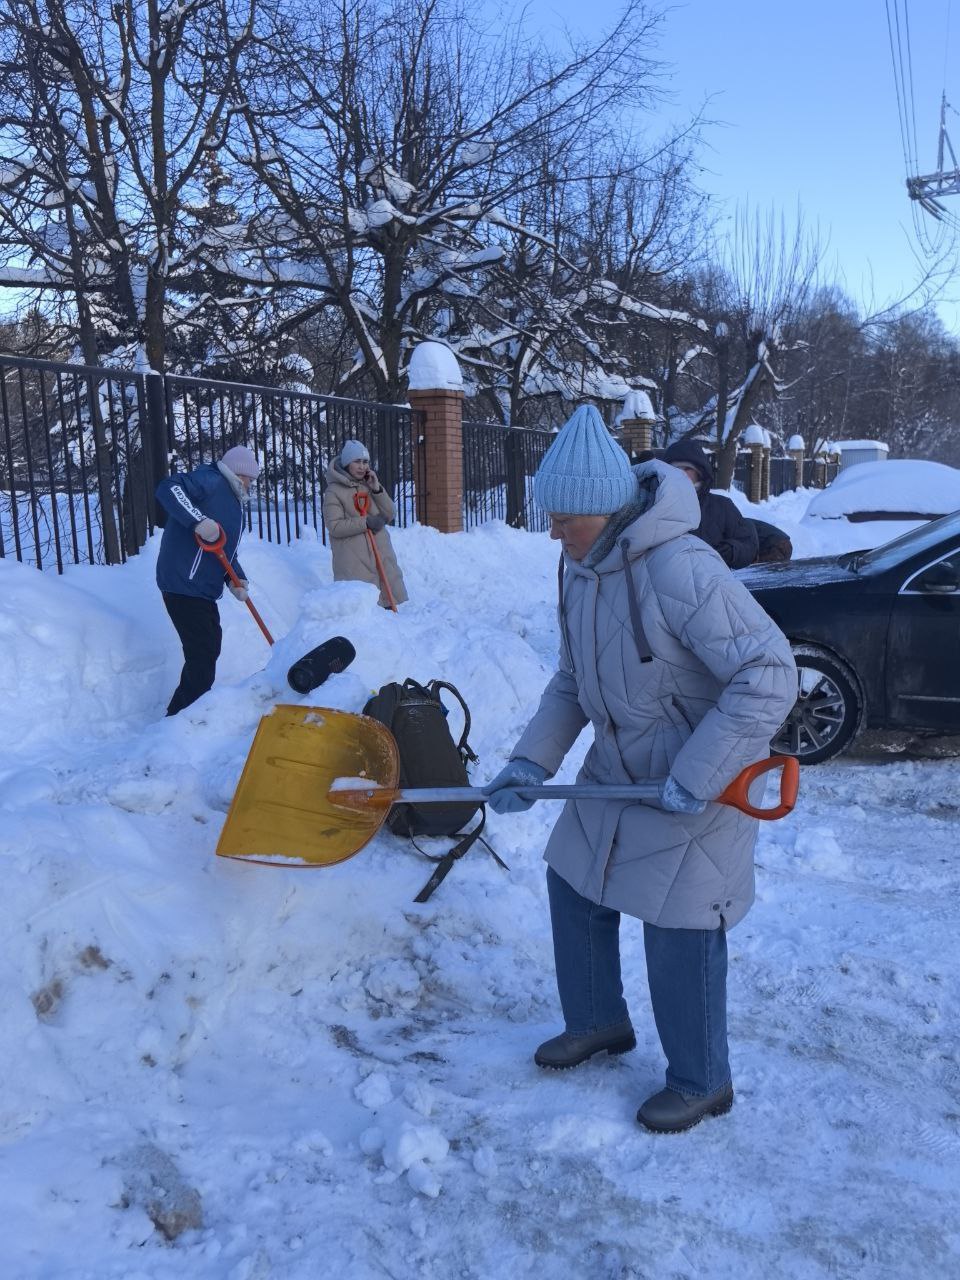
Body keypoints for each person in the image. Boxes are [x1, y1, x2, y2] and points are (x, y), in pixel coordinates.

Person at [483, 405, 796, 1134]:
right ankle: (598, 1022)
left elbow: (769, 672)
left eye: (565, 519)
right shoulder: (579, 568)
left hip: (695, 775)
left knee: (679, 923)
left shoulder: (682, 568)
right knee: (573, 881)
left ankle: (702, 1080)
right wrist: (531, 760)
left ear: (608, 509)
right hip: (615, 767)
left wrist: (701, 772)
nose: (553, 533)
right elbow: (571, 680)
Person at [155, 445, 260, 716]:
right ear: (238, 473)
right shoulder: (212, 480)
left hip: (200, 588)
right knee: (203, 651)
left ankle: (188, 712)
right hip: (183, 583)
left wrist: (236, 578)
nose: (250, 484)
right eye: (249, 478)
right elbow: (169, 487)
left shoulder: (232, 501)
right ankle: (180, 717)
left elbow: (222, 549)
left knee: (208, 646)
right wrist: (197, 520)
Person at [322, 439, 408, 608]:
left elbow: (390, 514)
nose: (362, 467)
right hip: (355, 563)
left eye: (365, 462)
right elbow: (334, 526)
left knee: (390, 611)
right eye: (357, 462)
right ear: (347, 463)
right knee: (366, 613)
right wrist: (365, 522)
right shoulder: (334, 492)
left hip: (381, 558)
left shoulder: (369, 485)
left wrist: (376, 489)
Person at [661, 438, 759, 568]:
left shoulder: (722, 506)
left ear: (699, 472)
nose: (681, 473)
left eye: (687, 468)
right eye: (676, 468)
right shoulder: (658, 506)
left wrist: (731, 551)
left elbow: (747, 543)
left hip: (714, 582)